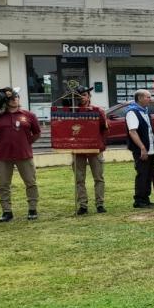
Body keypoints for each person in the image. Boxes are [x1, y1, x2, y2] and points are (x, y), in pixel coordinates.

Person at [0, 88, 41, 222]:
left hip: (24, 155)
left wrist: (26, 143)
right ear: (5, 101)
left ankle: (32, 209)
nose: (14, 99)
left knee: (31, 182)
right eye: (11, 98)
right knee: (4, 185)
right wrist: (0, 143)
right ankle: (7, 212)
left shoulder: (29, 115)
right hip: (3, 156)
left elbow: (37, 133)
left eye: (16, 97)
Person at [71, 86, 108, 215]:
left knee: (98, 177)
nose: (82, 97)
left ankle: (100, 204)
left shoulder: (98, 111)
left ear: (89, 96)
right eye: (79, 95)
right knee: (79, 179)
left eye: (84, 95)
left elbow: (104, 128)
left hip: (94, 148)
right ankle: (83, 205)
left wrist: (101, 144)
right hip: (78, 149)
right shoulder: (72, 111)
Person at [125, 88, 154, 209]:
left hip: (150, 148)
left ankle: (146, 198)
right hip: (141, 149)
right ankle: (139, 200)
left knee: (149, 174)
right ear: (140, 98)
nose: (150, 99)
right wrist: (142, 148)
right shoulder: (132, 112)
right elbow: (133, 132)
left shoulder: (145, 111)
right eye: (148, 97)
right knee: (142, 174)